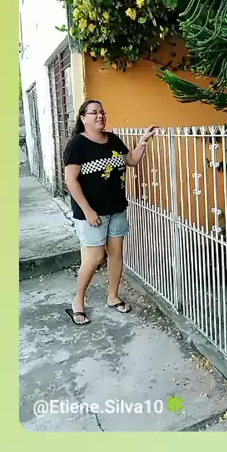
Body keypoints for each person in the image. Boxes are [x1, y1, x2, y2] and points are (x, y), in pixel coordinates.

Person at [63, 99, 157, 325]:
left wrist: (143, 142)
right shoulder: (77, 144)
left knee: (116, 254)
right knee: (95, 257)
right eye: (94, 112)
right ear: (83, 118)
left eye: (102, 112)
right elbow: (70, 180)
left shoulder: (113, 139)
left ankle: (113, 297)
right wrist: (87, 210)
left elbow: (131, 160)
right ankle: (78, 302)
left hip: (116, 208)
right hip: (92, 213)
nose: (100, 116)